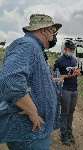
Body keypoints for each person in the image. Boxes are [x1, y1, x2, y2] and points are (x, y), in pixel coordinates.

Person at [0, 14, 62, 150]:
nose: (54, 36)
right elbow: (11, 81)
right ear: (43, 30)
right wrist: (33, 111)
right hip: (29, 133)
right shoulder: (27, 45)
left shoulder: (35, 48)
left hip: (34, 132)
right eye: (53, 31)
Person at [54, 40, 81, 146]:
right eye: (70, 49)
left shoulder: (74, 60)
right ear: (65, 49)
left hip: (74, 89)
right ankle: (63, 134)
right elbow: (56, 77)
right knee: (64, 113)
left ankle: (69, 132)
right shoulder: (59, 61)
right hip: (65, 89)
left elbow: (75, 72)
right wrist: (66, 76)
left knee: (71, 112)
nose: (72, 51)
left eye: (73, 50)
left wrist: (77, 73)